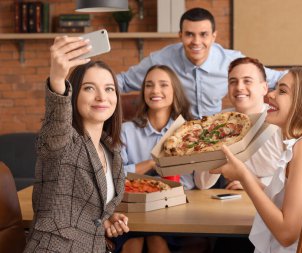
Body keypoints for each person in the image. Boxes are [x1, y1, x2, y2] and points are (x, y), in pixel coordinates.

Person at [210, 67, 302, 253]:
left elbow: (286, 234)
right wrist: (245, 177)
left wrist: (243, 176)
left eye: (282, 91)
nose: (270, 94)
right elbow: (280, 201)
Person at [24, 36, 129, 253]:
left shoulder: (111, 149)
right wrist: (57, 79)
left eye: (109, 89)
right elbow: (58, 119)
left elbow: (87, 208)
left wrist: (103, 220)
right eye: (89, 88)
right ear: (74, 95)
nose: (102, 97)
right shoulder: (63, 139)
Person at [117, 7, 286, 119]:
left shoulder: (232, 62)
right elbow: (123, 81)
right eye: (189, 34)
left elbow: (281, 78)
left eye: (203, 34)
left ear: (213, 36)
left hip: (214, 134)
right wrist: (94, 86)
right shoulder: (161, 60)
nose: (196, 42)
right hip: (176, 134)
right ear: (180, 35)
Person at [117, 65, 194, 253]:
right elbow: (115, 175)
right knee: (133, 243)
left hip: (175, 208)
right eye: (149, 85)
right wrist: (152, 163)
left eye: (163, 85)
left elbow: (191, 182)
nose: (155, 91)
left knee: (157, 240)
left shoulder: (188, 131)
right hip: (133, 207)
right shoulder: (126, 130)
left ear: (174, 91)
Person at [194, 57, 283, 191]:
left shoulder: (280, 122)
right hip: (231, 199)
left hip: (273, 199)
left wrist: (251, 182)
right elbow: (202, 183)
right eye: (233, 82)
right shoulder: (218, 122)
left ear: (264, 88)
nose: (239, 87)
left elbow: (295, 177)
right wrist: (214, 147)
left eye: (247, 81)